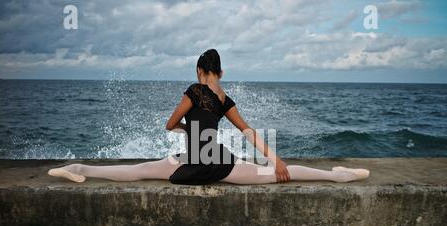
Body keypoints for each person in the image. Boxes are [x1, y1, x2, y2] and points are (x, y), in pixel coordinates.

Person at [48, 49, 369, 184]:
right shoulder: (224, 99)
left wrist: (188, 128)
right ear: (221, 72)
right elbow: (248, 132)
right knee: (271, 175)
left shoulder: (193, 90)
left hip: (188, 162)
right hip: (217, 163)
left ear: (200, 71)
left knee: (138, 171)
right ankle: (337, 175)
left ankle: (77, 169)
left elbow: (169, 125)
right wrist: (277, 159)